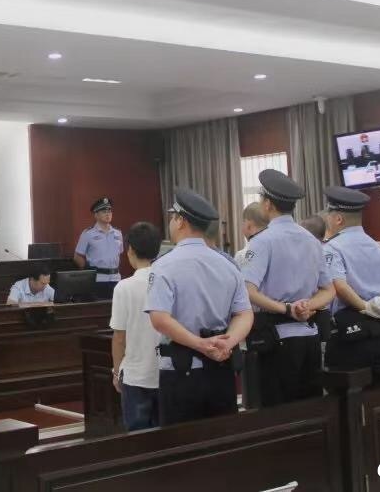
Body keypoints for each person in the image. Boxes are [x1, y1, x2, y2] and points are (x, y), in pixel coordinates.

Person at [146, 188, 253, 426]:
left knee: (180, 442)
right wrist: (228, 342)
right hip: (221, 368)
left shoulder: (164, 265)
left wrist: (201, 345)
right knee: (221, 438)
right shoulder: (227, 264)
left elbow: (159, 318)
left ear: (180, 221)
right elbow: (244, 313)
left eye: (173, 217)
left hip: (180, 372)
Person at [240, 169, 334, 407]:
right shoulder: (312, 240)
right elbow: (329, 289)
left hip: (275, 339)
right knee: (310, 409)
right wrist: (307, 306)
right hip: (310, 336)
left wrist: (288, 308)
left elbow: (248, 290)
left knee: (278, 414)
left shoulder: (262, 241)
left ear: (268, 204)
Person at [321, 187, 380, 387]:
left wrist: (365, 307)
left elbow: (339, 285)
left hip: (348, 334)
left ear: (338, 219)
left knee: (346, 396)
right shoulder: (377, 247)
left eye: (329, 215)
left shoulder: (332, 248)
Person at [110, 222, 162, 431]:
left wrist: (116, 372)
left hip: (135, 376)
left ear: (130, 250)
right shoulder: (168, 280)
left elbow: (119, 337)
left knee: (138, 439)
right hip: (166, 372)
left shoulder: (123, 287)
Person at [74, 197, 123, 300]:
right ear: (96, 215)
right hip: (98, 280)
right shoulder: (88, 234)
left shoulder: (118, 233)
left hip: (116, 279)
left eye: (109, 211)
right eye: (104, 212)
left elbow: (119, 254)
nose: (108, 214)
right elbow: (77, 256)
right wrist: (88, 272)